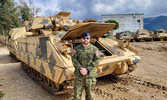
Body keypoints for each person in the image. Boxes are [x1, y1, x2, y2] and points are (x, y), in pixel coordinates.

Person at [72, 32, 100, 100]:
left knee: (90, 96)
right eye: (84, 38)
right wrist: (81, 68)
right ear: (81, 39)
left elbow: (97, 60)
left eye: (87, 38)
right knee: (76, 96)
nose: (86, 40)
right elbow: (74, 59)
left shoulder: (94, 49)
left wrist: (88, 69)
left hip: (90, 76)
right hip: (79, 76)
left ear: (89, 39)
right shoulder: (76, 49)